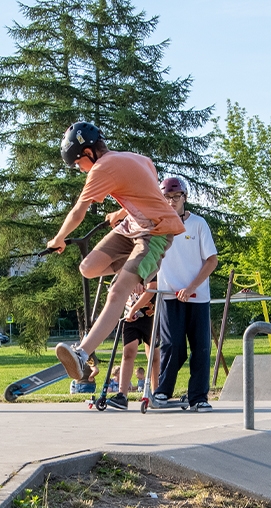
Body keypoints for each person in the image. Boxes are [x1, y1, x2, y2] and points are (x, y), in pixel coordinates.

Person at [48, 121, 185, 394]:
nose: (79, 169)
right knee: (88, 267)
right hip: (131, 225)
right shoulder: (137, 159)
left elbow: (78, 212)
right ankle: (136, 272)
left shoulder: (100, 169)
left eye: (77, 163)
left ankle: (82, 353)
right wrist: (121, 213)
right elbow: (149, 192)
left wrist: (59, 238)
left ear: (88, 153)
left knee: (117, 293)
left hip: (155, 232)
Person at [153, 177, 219, 412]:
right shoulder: (157, 225)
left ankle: (198, 396)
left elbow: (212, 260)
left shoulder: (198, 224)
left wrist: (191, 287)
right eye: (167, 198)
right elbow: (148, 257)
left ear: (185, 197)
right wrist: (141, 281)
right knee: (172, 345)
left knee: (200, 347)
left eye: (176, 197)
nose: (171, 202)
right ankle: (162, 391)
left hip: (197, 296)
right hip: (169, 296)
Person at [106, 282, 160, 410]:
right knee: (128, 351)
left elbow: (153, 287)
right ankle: (122, 395)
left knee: (154, 355)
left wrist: (134, 308)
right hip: (131, 316)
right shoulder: (127, 266)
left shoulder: (152, 266)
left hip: (151, 314)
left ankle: (155, 392)